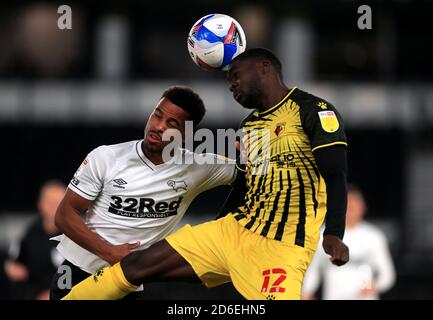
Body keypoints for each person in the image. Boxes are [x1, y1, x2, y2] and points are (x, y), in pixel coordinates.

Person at [62, 48, 349, 300]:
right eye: (228, 80)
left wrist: (334, 233)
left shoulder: (313, 111)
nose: (231, 85)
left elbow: (336, 174)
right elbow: (246, 183)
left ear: (265, 68)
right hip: (235, 230)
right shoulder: (250, 125)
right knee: (135, 266)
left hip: (282, 247)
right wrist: (216, 231)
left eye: (236, 75)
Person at [50, 86, 237, 299]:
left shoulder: (197, 167)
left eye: (171, 124)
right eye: (157, 115)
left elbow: (252, 173)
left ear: (186, 135)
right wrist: (109, 253)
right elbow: (64, 215)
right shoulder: (106, 157)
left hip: (128, 282)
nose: (158, 126)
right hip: (76, 272)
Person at [302, 185, 396, 300]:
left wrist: (374, 287)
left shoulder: (374, 236)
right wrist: (306, 292)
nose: (350, 209)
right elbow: (313, 270)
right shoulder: (324, 235)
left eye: (354, 205)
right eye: (347, 205)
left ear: (363, 207)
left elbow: (387, 275)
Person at [5, 180, 66, 299]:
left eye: (59, 202)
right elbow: (14, 259)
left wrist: (52, 294)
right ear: (40, 204)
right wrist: (11, 267)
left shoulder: (76, 235)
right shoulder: (31, 232)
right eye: (50, 203)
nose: (54, 208)